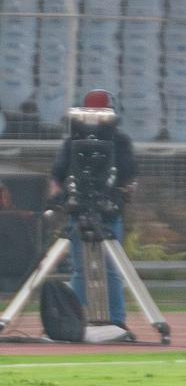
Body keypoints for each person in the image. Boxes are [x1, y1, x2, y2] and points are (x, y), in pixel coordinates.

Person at [49, 89, 138, 328]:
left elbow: (128, 175)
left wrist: (119, 193)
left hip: (107, 210)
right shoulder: (72, 142)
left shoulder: (120, 142)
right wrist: (59, 198)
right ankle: (75, 320)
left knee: (111, 269)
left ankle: (116, 320)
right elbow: (58, 174)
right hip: (80, 209)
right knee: (80, 269)